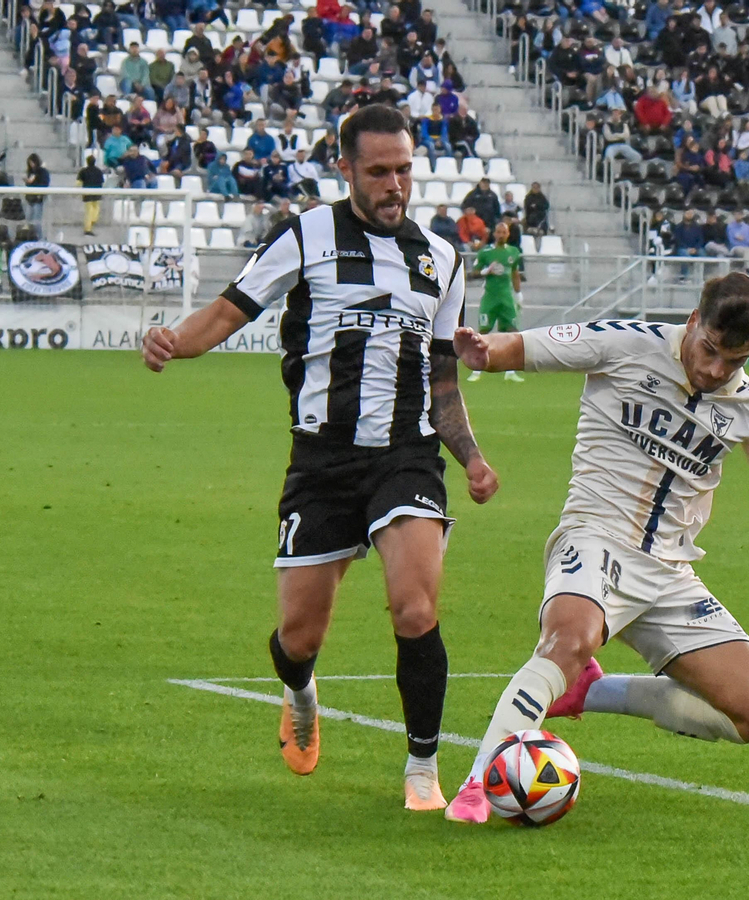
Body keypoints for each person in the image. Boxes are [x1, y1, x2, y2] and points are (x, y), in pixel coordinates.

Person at [137, 104, 499, 809]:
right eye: (379, 172)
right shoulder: (306, 235)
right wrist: (173, 341)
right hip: (323, 460)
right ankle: (300, 691)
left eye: (404, 170)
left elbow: (444, 374)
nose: (396, 185)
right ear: (346, 170)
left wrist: (472, 458)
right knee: (300, 635)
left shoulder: (442, 257)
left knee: (415, 607)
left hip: (407, 454)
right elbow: (229, 309)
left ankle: (423, 769)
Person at [443, 273, 749, 824]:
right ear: (693, 322)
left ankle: (593, 692)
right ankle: (478, 783)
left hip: (670, 576)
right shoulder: (627, 342)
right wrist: (485, 354)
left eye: (735, 359)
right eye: (709, 350)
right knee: (569, 640)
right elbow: (526, 348)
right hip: (594, 538)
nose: (714, 370)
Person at [467, 221, 525, 384]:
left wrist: (519, 294)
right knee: (483, 332)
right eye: (498, 232)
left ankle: (510, 371)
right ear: (494, 234)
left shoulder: (514, 252)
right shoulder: (486, 252)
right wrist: (486, 271)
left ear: (508, 234)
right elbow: (474, 272)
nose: (500, 235)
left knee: (512, 333)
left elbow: (515, 274)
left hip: (506, 297)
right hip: (490, 297)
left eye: (503, 232)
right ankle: (477, 370)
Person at [78, 154, 105, 235]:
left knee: (89, 210)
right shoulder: (99, 171)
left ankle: (88, 228)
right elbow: (102, 182)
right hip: (97, 192)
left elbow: (79, 182)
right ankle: (93, 220)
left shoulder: (83, 171)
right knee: (96, 208)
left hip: (87, 193)